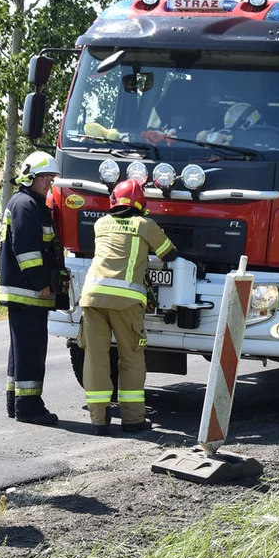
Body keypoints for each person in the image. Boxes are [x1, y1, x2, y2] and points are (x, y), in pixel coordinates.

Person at [79, 179, 177, 435]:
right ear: (141, 204)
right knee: (131, 358)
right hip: (126, 301)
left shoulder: (100, 224)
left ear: (113, 201)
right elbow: (169, 253)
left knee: (96, 357)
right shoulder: (146, 225)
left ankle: (98, 421)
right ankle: (133, 420)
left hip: (92, 298)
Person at [0, 151, 63, 424]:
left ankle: (16, 402)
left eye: (51, 178)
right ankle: (30, 407)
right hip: (29, 291)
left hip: (22, 291)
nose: (49, 183)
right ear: (30, 177)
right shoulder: (26, 205)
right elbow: (26, 251)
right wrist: (41, 283)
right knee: (31, 351)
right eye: (45, 178)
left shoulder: (26, 202)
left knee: (21, 350)